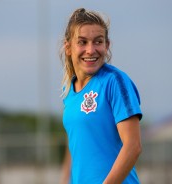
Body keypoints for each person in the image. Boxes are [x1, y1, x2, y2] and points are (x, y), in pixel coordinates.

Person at [60, 8, 143, 184]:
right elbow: (78, 147)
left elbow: (133, 146)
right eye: (82, 42)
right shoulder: (68, 92)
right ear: (68, 47)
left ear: (107, 45)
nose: (90, 50)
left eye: (98, 42)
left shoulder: (115, 81)